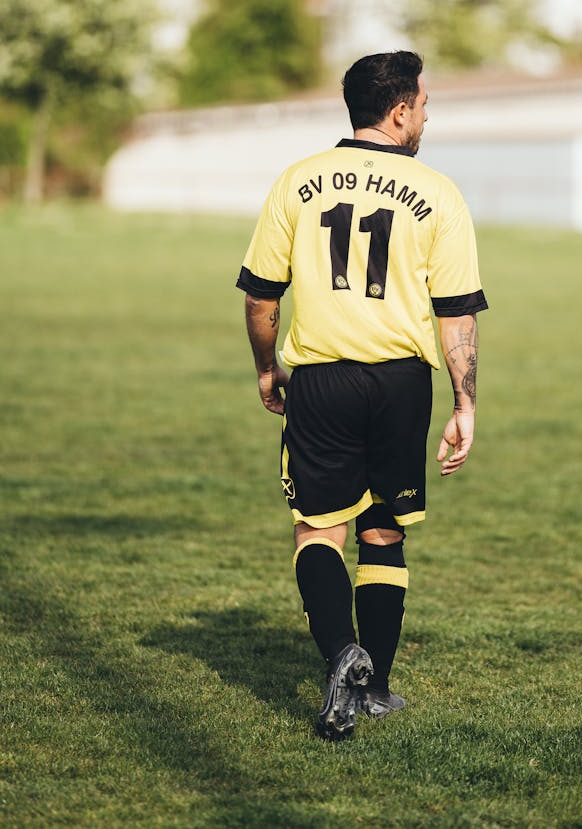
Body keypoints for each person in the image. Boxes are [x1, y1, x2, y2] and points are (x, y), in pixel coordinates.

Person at [236, 51, 488, 741]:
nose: (428, 115)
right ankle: (373, 683)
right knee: (383, 529)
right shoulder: (438, 192)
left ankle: (340, 653)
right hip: (403, 382)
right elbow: (456, 314)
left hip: (322, 379)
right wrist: (465, 403)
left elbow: (262, 295)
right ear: (399, 110)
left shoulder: (298, 180)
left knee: (319, 529)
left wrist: (266, 367)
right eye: (425, 103)